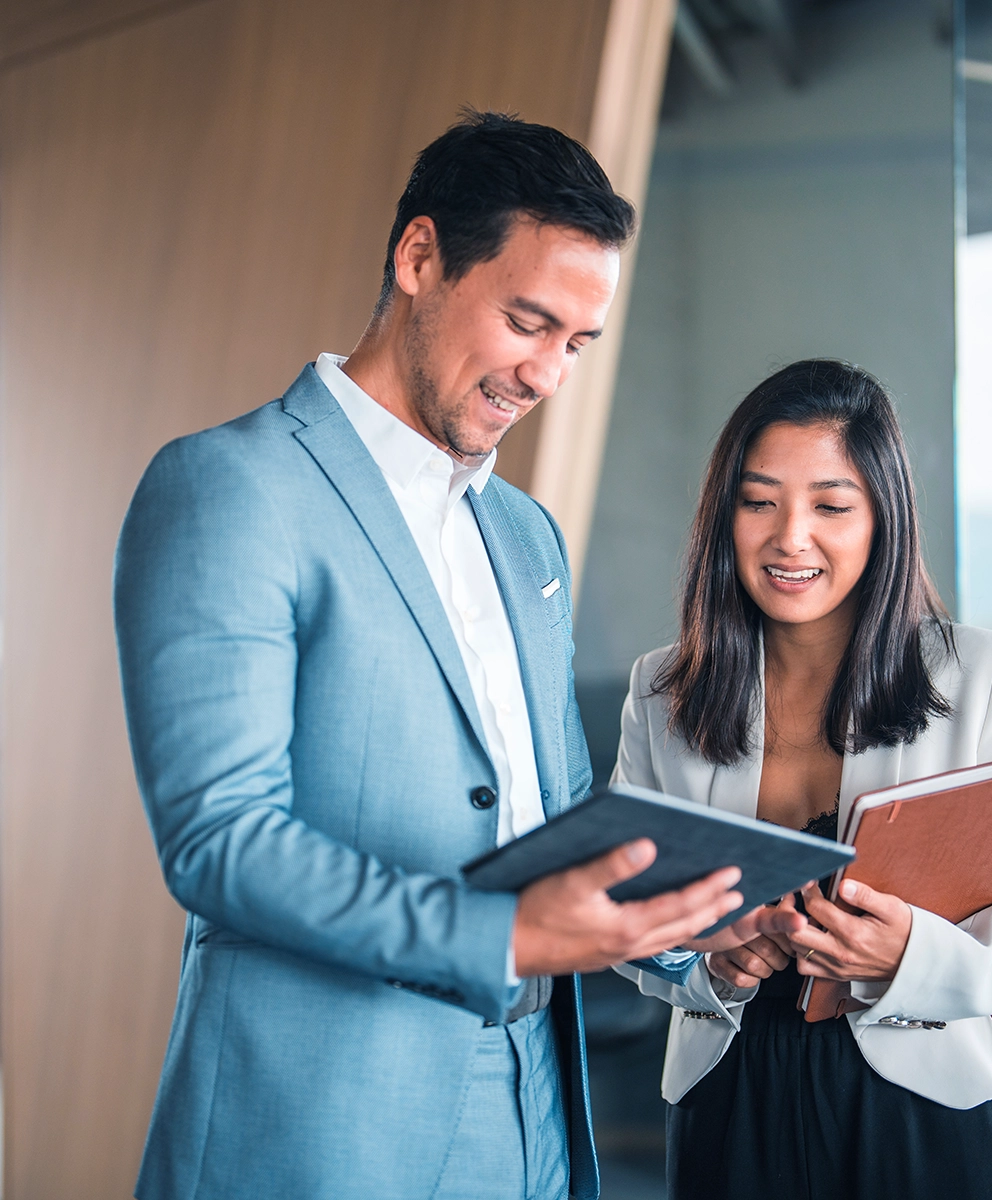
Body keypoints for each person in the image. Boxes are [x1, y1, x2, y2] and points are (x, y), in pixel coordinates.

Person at [114, 111, 799, 1200]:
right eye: (527, 322)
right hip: (321, 1116)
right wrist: (504, 932)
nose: (545, 376)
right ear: (420, 256)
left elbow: (562, 816)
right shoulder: (230, 487)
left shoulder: (526, 535)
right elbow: (220, 841)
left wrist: (690, 937)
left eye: (576, 343)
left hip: (532, 1100)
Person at [614, 359, 992, 1200]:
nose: (789, 537)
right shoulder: (663, 690)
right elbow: (629, 916)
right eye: (758, 501)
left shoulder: (982, 674)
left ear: (883, 518)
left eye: (831, 506)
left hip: (931, 1110)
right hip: (731, 1102)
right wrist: (708, 967)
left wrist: (909, 954)